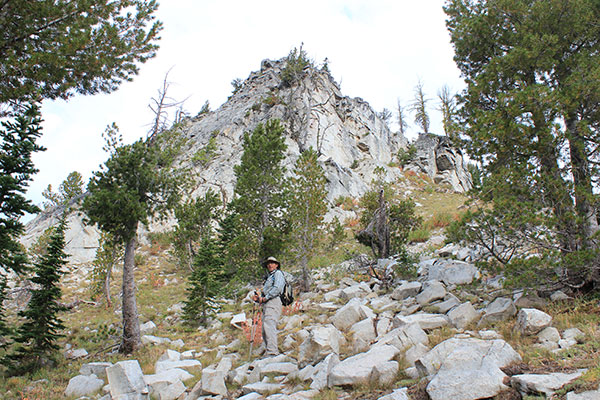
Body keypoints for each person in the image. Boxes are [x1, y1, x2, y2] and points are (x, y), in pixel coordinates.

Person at [252, 256, 285, 357]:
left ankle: (272, 352)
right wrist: (259, 298)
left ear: (276, 265)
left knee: (269, 325)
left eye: (272, 263)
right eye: (268, 263)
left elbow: (277, 288)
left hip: (274, 301)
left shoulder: (278, 274)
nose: (270, 265)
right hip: (267, 303)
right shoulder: (269, 277)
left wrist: (265, 298)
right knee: (265, 328)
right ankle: (269, 350)